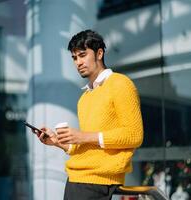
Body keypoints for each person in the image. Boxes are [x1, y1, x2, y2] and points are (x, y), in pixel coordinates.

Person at [34, 29, 143, 200]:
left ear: (99, 53)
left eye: (83, 55)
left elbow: (134, 135)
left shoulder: (121, 84)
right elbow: (88, 146)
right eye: (74, 58)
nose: (78, 62)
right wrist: (57, 142)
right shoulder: (85, 98)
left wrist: (82, 136)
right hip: (75, 180)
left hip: (98, 183)